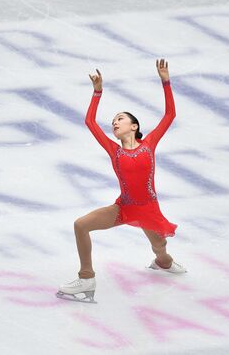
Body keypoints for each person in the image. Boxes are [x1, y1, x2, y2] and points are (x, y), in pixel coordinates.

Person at [56, 59, 186, 304]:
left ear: (134, 126)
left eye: (120, 119)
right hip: (123, 208)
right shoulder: (114, 151)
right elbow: (90, 123)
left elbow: (170, 115)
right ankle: (86, 279)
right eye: (114, 120)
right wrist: (97, 92)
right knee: (81, 225)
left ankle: (163, 263)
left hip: (149, 209)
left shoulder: (149, 144)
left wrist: (165, 81)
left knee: (161, 251)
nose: (115, 122)